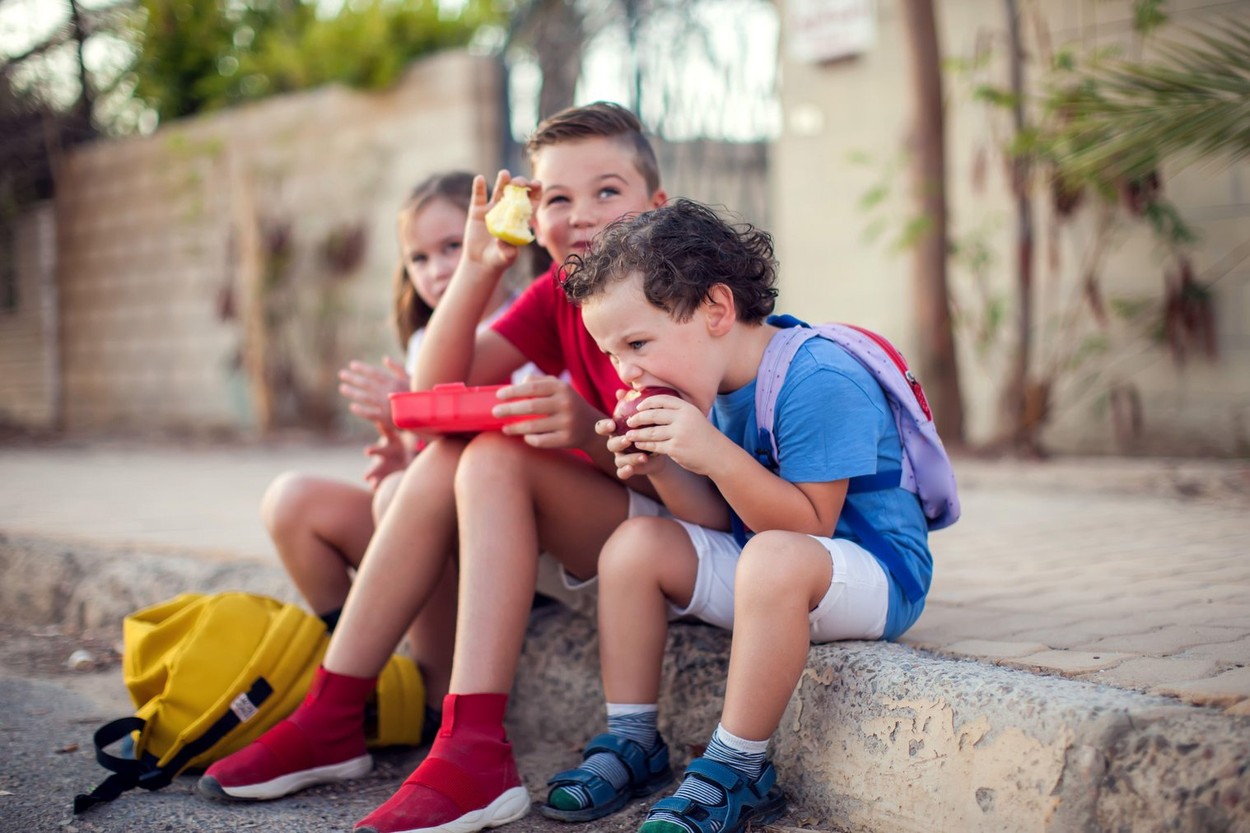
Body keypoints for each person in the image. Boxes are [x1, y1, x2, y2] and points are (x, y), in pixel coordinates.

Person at [198, 101, 670, 833]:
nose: (581, 216)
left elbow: (687, 479)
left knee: (491, 450)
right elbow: (432, 394)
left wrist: (582, 431)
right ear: (532, 214)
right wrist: (479, 270)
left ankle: (467, 743)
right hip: (602, 524)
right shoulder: (557, 295)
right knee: (459, 442)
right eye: (557, 198)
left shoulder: (674, 296)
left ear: (657, 206)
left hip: (669, 536)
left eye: (607, 191)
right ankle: (337, 710)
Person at [547, 198, 935, 833]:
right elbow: (720, 518)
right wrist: (664, 466)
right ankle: (634, 739)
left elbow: (807, 524)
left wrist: (713, 451)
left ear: (717, 310)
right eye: (613, 355)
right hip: (773, 568)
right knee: (634, 543)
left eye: (639, 342)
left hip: (874, 574)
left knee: (773, 556)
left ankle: (740, 766)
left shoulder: (817, 375)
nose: (627, 371)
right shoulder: (711, 382)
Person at [259, 172, 517, 707]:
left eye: (451, 246)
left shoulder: (527, 321)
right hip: (437, 525)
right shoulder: (425, 340)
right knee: (292, 501)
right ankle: (363, 677)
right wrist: (401, 449)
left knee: (397, 494)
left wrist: (418, 415)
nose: (438, 269)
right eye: (419, 258)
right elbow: (431, 460)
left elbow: (505, 453)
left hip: (506, 540)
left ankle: (431, 689)